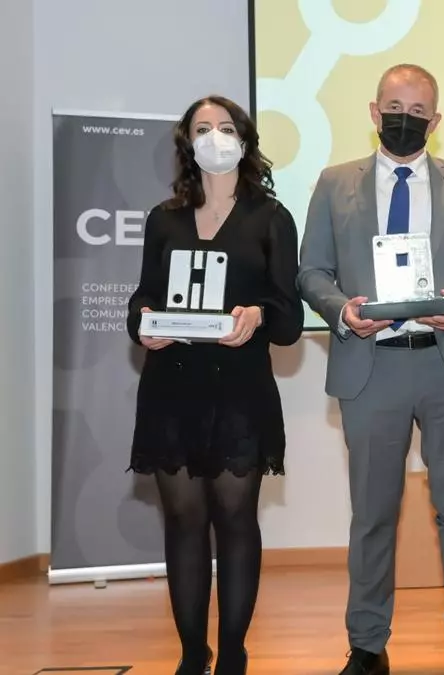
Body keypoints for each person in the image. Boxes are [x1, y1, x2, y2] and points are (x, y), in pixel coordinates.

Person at [297, 64, 444, 675]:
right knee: (373, 512)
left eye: (417, 111)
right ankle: (367, 645)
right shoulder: (334, 183)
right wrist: (341, 310)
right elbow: (312, 271)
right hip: (371, 367)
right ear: (373, 111)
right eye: (394, 107)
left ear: (435, 121)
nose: (404, 119)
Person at [126, 95, 304, 675]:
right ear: (187, 142)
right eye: (202, 129)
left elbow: (289, 318)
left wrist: (256, 314)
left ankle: (231, 653)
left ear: (244, 140)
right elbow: (144, 295)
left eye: (225, 127)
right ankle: (190, 654)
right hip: (171, 391)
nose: (215, 137)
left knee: (235, 521)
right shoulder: (164, 218)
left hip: (239, 393)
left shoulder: (270, 218)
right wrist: (142, 322)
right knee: (182, 522)